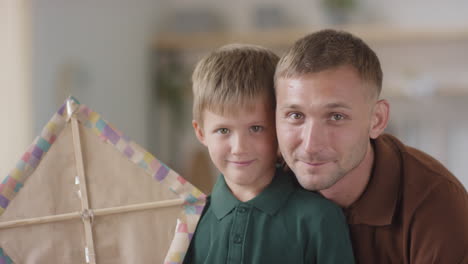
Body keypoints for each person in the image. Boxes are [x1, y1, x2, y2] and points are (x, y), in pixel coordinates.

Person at [274, 29, 468, 263]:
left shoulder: (436, 202)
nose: (311, 144)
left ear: (377, 120)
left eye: (336, 116)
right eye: (295, 115)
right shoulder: (266, 181)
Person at [183, 44, 355, 263]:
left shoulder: (320, 219)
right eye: (223, 130)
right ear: (201, 132)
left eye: (256, 128)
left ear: (280, 127)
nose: (239, 148)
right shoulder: (189, 221)